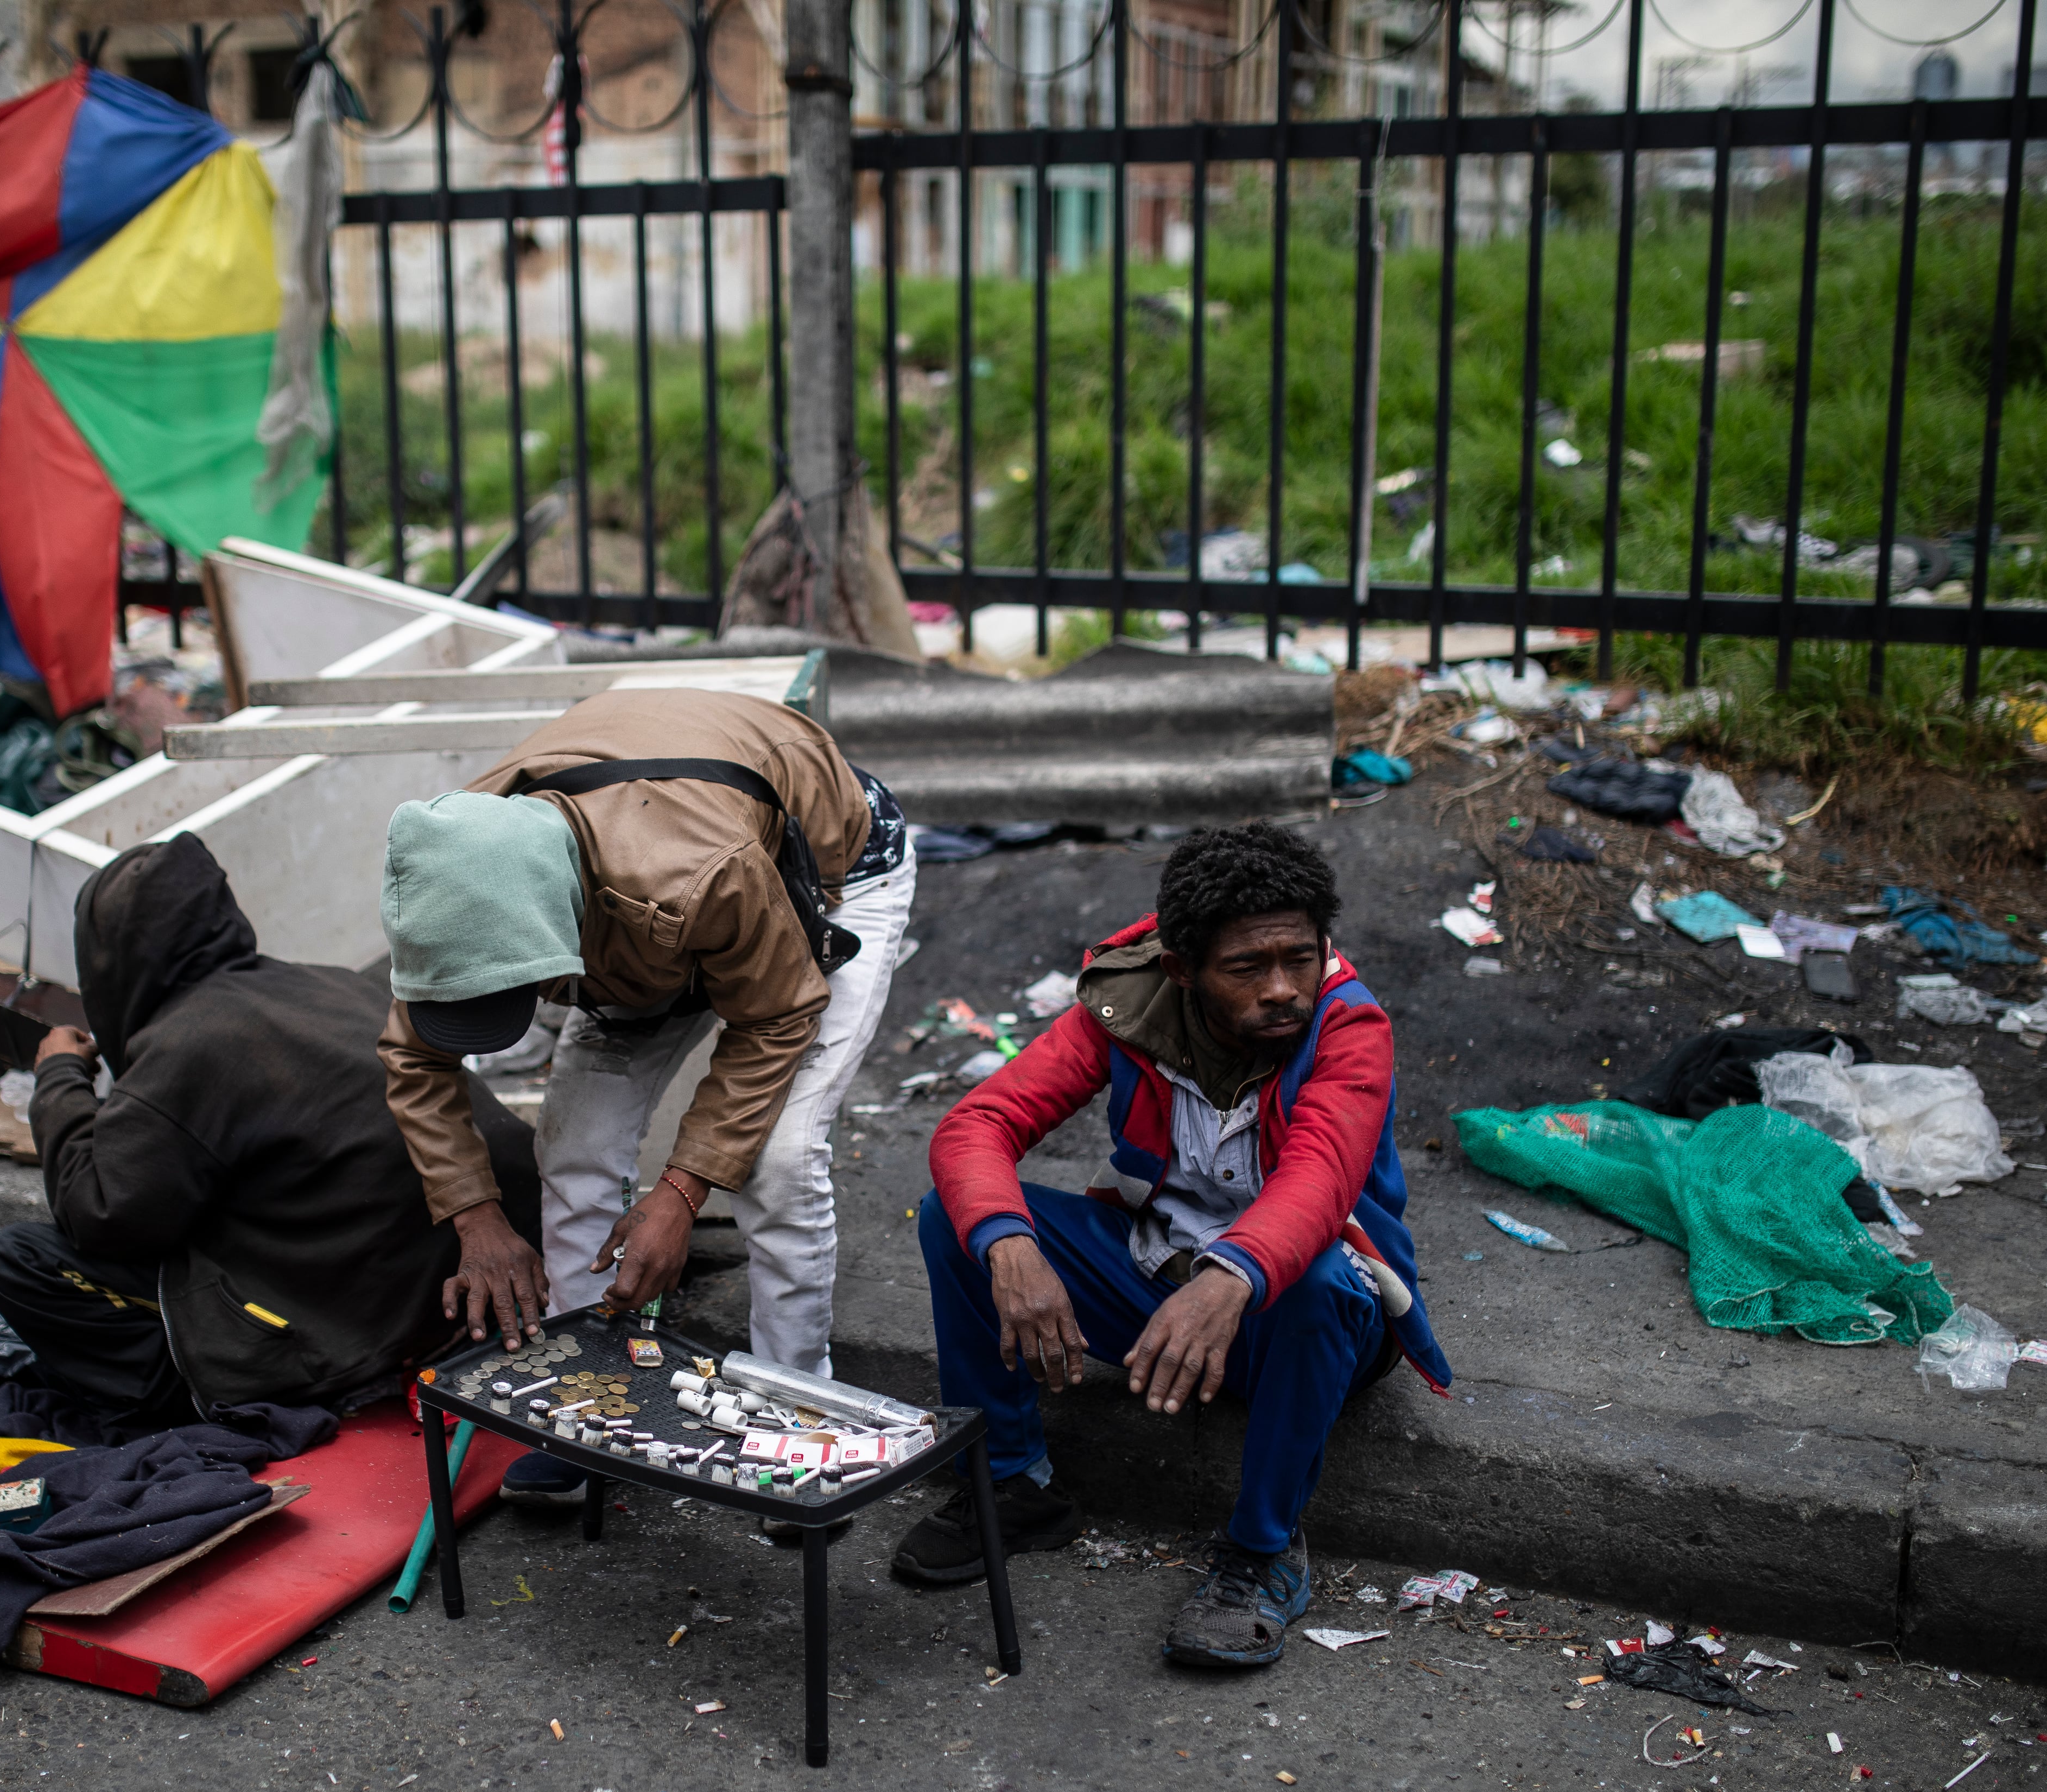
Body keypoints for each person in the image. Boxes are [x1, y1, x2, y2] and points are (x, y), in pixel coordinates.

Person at [892, 821, 1450, 1667]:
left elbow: (1320, 1180)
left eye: (1299, 959)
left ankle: (1262, 1553)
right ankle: (1010, 1486)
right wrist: (1010, 1246)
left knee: (1319, 1283)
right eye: (1246, 968)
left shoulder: (1350, 1026)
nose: (1282, 990)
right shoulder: (1129, 1005)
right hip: (1161, 1274)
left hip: (1308, 1315)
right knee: (957, 1217)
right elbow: (979, 1125)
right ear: (1182, 969)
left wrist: (1231, 1276)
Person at [375, 685, 913, 1503]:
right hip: (644, 917)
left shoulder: (693, 876)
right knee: (576, 1145)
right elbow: (415, 1057)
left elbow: (776, 1013)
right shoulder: (453, 867)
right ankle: (594, 1405)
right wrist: (476, 1220)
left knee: (776, 1160)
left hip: (822, 875)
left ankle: (798, 1428)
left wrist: (682, 1192)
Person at [0, 834, 542, 1420]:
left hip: (375, 1321)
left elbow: (100, 1216)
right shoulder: (328, 980)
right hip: (503, 1258)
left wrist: (59, 1077)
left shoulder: (188, 1042)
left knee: (21, 1260)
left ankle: (185, 1404)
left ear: (109, 962)